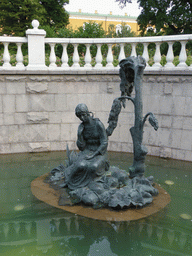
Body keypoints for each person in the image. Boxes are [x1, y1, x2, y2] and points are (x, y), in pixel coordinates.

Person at [63, 103, 109, 190]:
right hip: (87, 151)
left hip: (99, 152)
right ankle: (70, 182)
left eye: (83, 115)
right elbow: (82, 148)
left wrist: (94, 154)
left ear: (88, 113)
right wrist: (79, 134)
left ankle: (90, 185)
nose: (82, 118)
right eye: (79, 116)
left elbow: (104, 142)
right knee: (81, 165)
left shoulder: (98, 124)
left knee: (93, 167)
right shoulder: (82, 126)